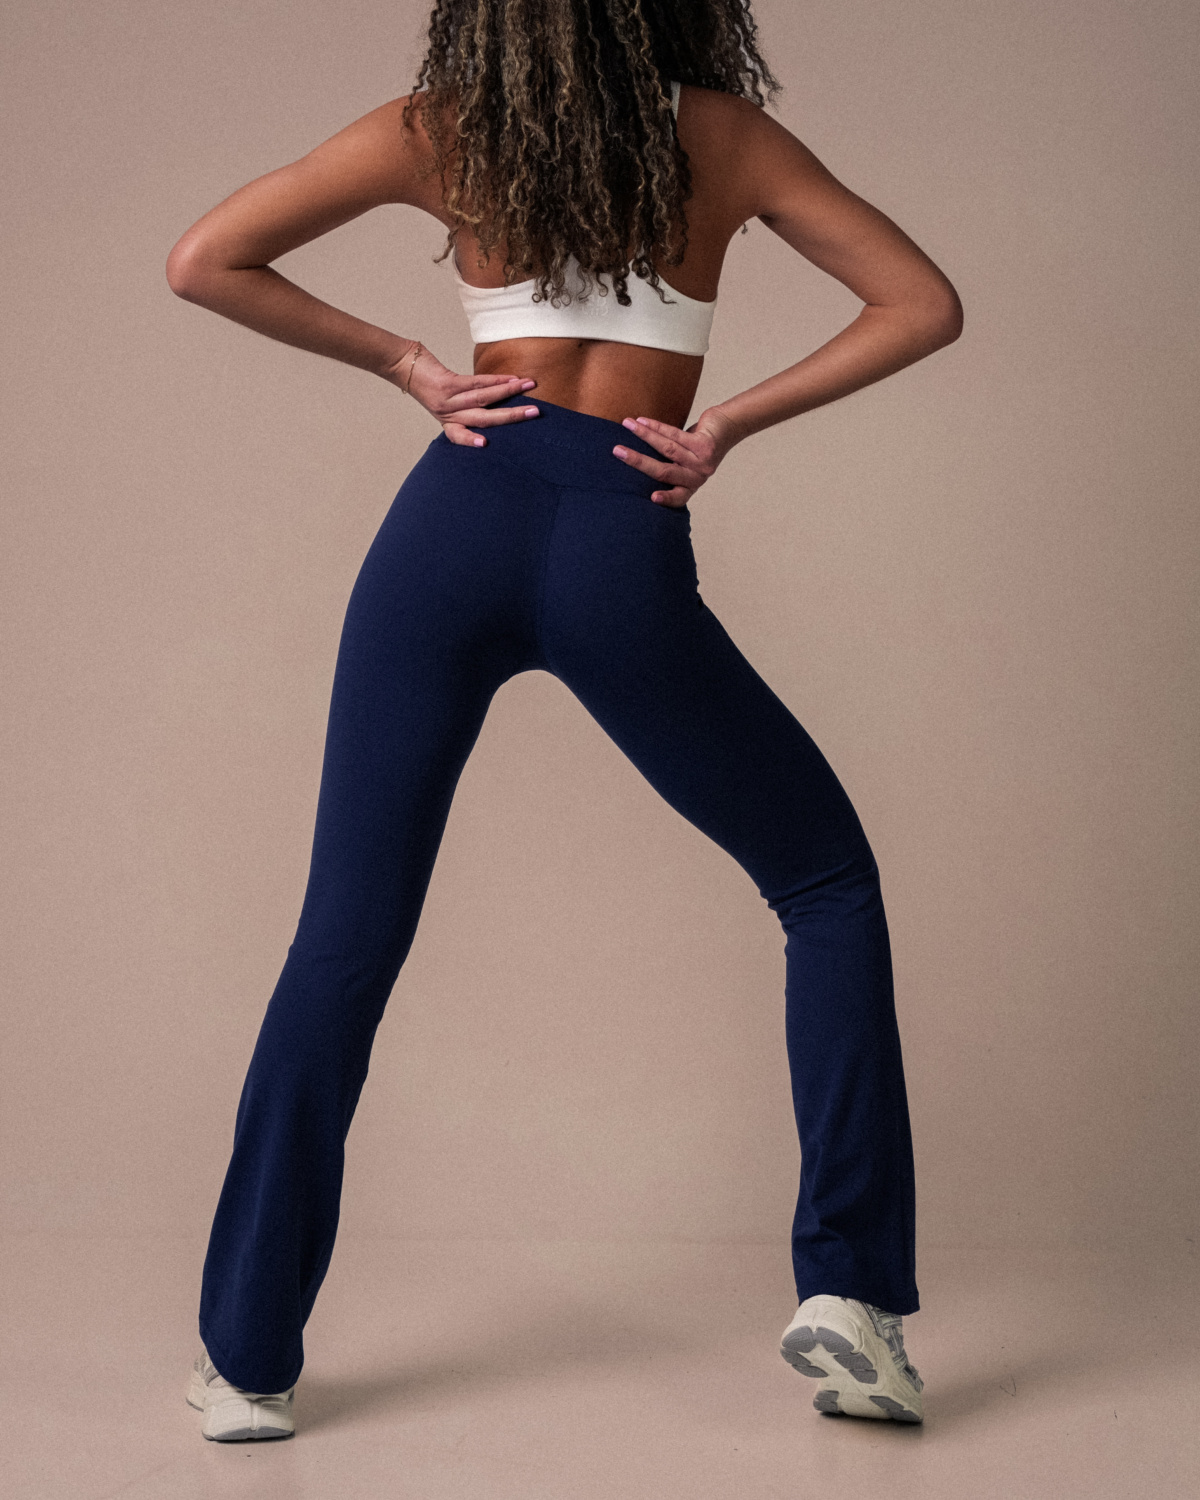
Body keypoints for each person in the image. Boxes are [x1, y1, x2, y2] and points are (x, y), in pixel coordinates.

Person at [166, 0, 962, 1442]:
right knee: (824, 884)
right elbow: (922, 304)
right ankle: (852, 1294)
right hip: (618, 530)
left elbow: (202, 259)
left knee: (346, 935)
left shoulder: (442, 129)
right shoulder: (722, 136)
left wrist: (405, 363)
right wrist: (725, 425)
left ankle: (246, 1362)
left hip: (453, 519)